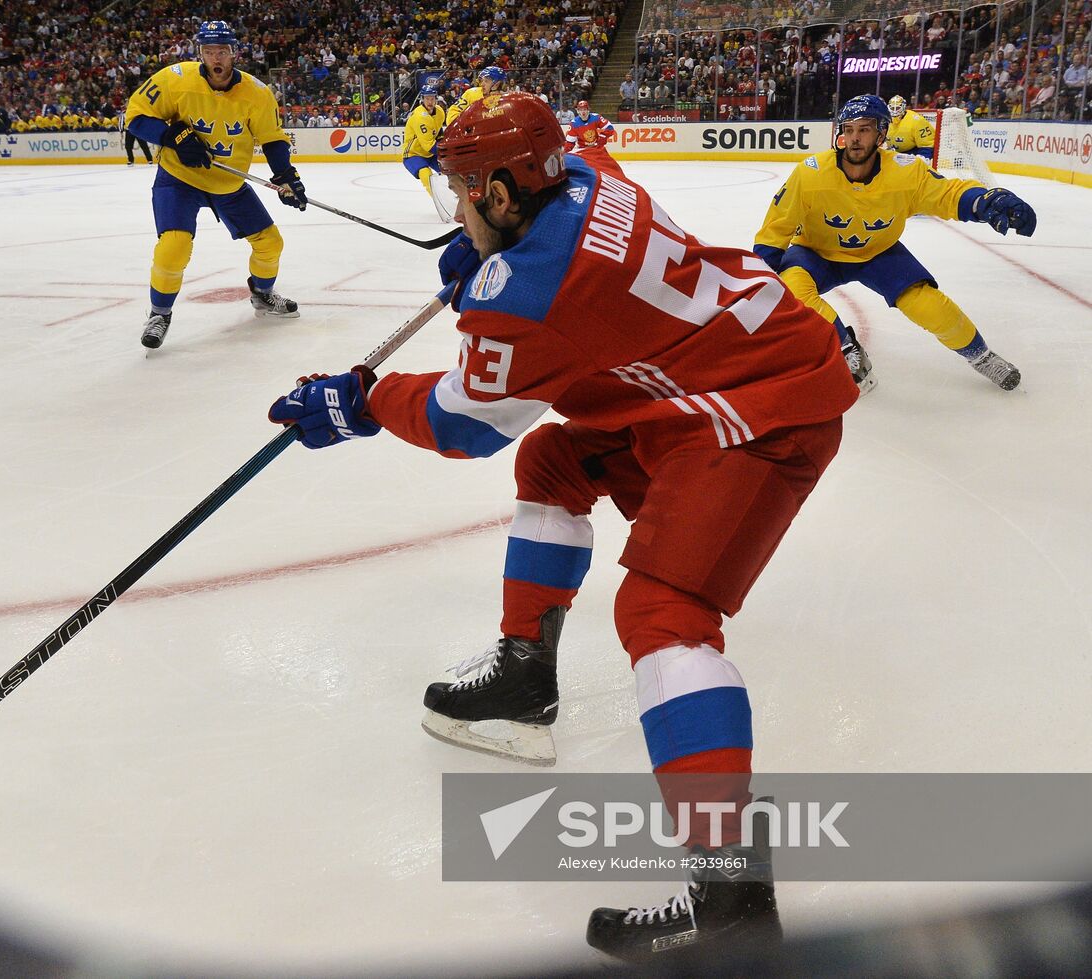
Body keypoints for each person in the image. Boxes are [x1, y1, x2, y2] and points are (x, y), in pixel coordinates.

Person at [268, 92, 858, 960]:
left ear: (504, 195)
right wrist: (490, 265)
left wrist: (356, 401)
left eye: (462, 195)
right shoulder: (581, 169)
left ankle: (729, 886)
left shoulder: (536, 289)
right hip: (712, 375)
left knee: (662, 616)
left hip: (761, 408)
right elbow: (576, 198)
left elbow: (465, 421)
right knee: (553, 462)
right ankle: (522, 675)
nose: (457, 211)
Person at [754, 94, 1034, 393]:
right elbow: (777, 224)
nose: (855, 138)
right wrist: (760, 272)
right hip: (815, 252)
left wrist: (981, 202)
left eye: (864, 129)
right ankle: (846, 349)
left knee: (926, 304)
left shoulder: (905, 171)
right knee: (792, 290)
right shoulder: (810, 173)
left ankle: (981, 356)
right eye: (849, 129)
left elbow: (946, 194)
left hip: (878, 252)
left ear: (882, 133)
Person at [122, 20, 306, 352]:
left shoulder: (257, 92)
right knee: (173, 246)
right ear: (200, 54)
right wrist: (171, 136)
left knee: (270, 243)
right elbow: (136, 117)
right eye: (209, 51)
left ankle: (262, 294)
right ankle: (159, 313)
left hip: (229, 182)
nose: (216, 58)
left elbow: (272, 140)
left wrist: (286, 177)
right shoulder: (174, 79)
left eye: (222, 51)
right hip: (179, 179)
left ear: (234, 52)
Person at [402, 84, 446, 198]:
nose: (429, 102)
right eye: (427, 98)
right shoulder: (420, 116)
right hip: (413, 154)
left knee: (450, 171)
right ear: (422, 99)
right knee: (426, 175)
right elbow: (429, 146)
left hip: (430, 154)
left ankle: (459, 196)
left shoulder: (440, 112)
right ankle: (439, 200)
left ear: (436, 99)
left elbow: (438, 131)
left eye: (432, 98)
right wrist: (449, 151)